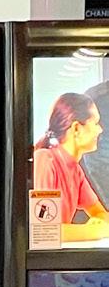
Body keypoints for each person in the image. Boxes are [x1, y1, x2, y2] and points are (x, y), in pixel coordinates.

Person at [33, 91, 109, 241]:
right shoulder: (44, 160)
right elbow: (44, 231)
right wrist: (95, 231)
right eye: (95, 123)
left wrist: (99, 225)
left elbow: (100, 214)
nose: (100, 130)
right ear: (76, 128)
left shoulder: (75, 170)